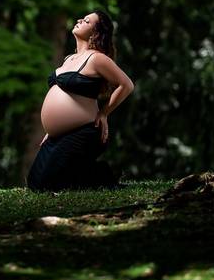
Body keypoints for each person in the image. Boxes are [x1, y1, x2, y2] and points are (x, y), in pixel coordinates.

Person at [26, 10, 134, 191]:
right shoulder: (69, 58)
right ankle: (87, 171)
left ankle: (101, 175)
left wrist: (104, 113)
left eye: (86, 21)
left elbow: (126, 85)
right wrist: (53, 128)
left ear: (96, 32)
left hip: (85, 132)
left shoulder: (97, 58)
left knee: (48, 185)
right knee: (34, 183)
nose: (79, 20)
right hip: (59, 135)